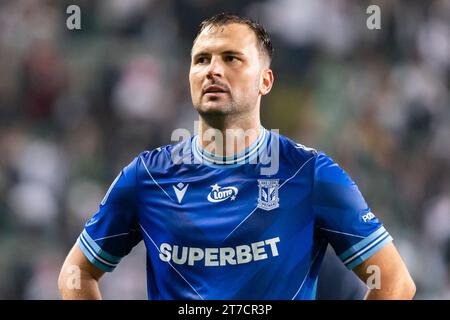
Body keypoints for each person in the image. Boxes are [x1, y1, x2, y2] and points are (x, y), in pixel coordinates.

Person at [58, 13, 415, 300]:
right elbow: (76, 275)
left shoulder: (309, 174)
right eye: (201, 59)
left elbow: (395, 283)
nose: (213, 70)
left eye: (231, 58)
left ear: (265, 80)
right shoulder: (146, 177)